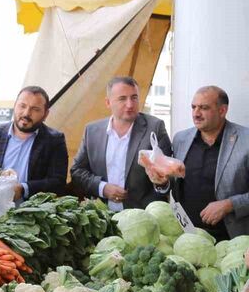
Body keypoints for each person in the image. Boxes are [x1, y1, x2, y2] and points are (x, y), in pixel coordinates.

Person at [148, 86, 249, 241]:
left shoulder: (245, 140)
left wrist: (228, 205)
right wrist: (162, 183)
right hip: (185, 237)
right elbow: (174, 186)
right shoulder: (181, 139)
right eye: (194, 107)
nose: (196, 113)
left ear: (222, 110)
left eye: (204, 108)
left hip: (230, 239)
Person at [71, 76, 171, 210]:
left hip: (142, 217)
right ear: (108, 102)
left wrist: (162, 183)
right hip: (102, 218)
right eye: (122, 99)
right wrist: (103, 188)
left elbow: (169, 176)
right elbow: (77, 171)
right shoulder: (92, 131)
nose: (130, 104)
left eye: (134, 98)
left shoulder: (155, 128)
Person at [0, 86, 69, 200]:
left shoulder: (54, 140)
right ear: (14, 105)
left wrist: (23, 189)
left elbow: (58, 182)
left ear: (46, 114)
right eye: (22, 106)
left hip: (32, 213)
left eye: (35, 109)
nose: (26, 113)